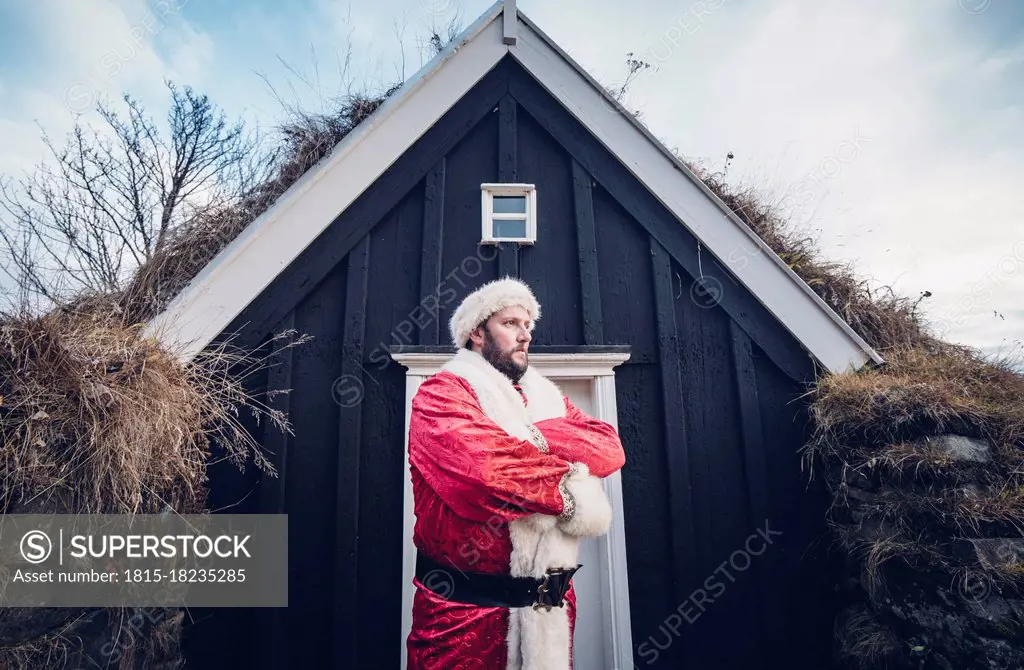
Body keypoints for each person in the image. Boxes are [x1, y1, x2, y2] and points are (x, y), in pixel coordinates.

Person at [405, 276, 626, 670]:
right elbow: (485, 473)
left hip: (548, 612)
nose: (524, 335)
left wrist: (525, 437)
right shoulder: (440, 394)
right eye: (510, 324)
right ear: (476, 332)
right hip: (463, 618)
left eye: (528, 326)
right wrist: (574, 489)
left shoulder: (545, 398)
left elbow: (608, 447)